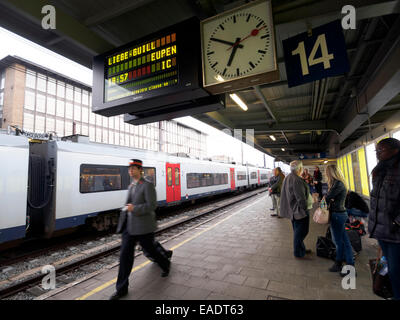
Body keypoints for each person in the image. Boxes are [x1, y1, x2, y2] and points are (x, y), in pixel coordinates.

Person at [109, 159, 172, 300]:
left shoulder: (147, 185)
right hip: (129, 227)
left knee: (150, 250)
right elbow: (128, 204)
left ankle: (165, 264)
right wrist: (125, 209)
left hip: (144, 226)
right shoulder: (131, 185)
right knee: (125, 257)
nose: (130, 171)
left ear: (140, 170)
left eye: (133, 169)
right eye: (129, 169)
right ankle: (121, 289)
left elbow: (152, 205)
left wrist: (134, 208)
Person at [368, 138, 400, 300]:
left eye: (383, 149)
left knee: (396, 270)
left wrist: (397, 222)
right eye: (377, 151)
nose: (379, 153)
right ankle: (385, 287)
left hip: (395, 233)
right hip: (381, 232)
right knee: (384, 264)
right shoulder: (379, 170)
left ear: (395, 149)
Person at [324, 164, 355, 275]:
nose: (325, 174)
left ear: (331, 173)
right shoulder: (337, 183)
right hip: (338, 214)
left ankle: (349, 267)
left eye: (327, 172)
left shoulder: (338, 184)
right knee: (340, 241)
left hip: (338, 215)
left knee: (341, 241)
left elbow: (327, 198)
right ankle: (339, 262)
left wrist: (323, 201)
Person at [280, 160, 312, 258]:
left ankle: (301, 248)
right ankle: (298, 252)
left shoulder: (288, 177)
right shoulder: (296, 180)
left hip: (292, 211)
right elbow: (300, 198)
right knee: (302, 232)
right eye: (302, 167)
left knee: (298, 231)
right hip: (299, 212)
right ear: (299, 169)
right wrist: (305, 208)